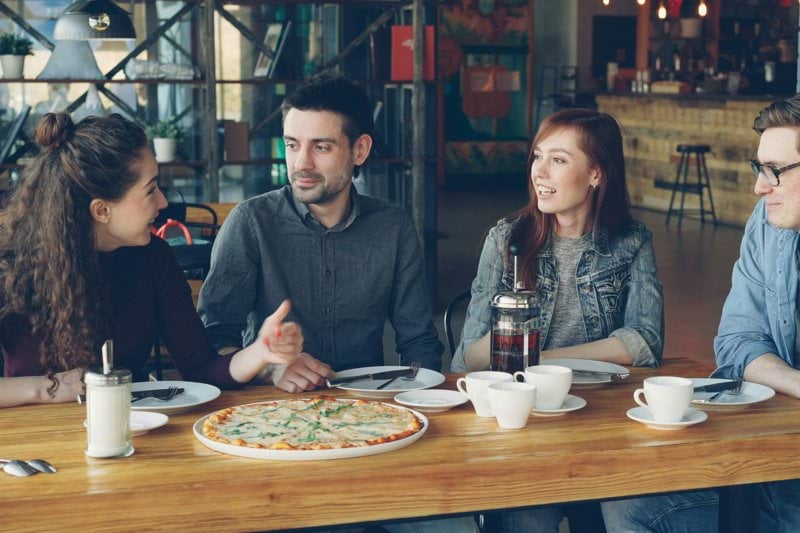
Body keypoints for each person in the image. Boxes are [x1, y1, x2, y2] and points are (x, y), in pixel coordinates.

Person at [450, 108, 664, 532]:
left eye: (559, 160)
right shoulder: (506, 239)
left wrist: (537, 359)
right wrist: (520, 339)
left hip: (600, 426)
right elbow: (467, 358)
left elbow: (644, 343)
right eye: (537, 156)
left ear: (596, 174)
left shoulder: (631, 242)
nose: (539, 172)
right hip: (522, 426)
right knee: (530, 514)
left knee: (620, 509)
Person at [0, 113, 303, 408]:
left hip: (130, 428)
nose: (163, 202)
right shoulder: (9, 266)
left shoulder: (154, 257)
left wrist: (261, 353)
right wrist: (52, 388)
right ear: (102, 210)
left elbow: (200, 367)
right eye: (150, 190)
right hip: (30, 439)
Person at [601, 95, 800, 532]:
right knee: (628, 504)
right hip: (768, 473)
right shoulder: (766, 224)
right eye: (758, 168)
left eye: (776, 172)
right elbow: (737, 343)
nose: (759, 187)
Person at [198, 71, 443, 393]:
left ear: (360, 151)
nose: (302, 163)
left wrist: (420, 398)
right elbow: (213, 343)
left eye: (321, 148)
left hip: (367, 405)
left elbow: (419, 341)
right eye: (292, 145)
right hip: (269, 406)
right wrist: (270, 367)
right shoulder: (251, 222)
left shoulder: (393, 227)